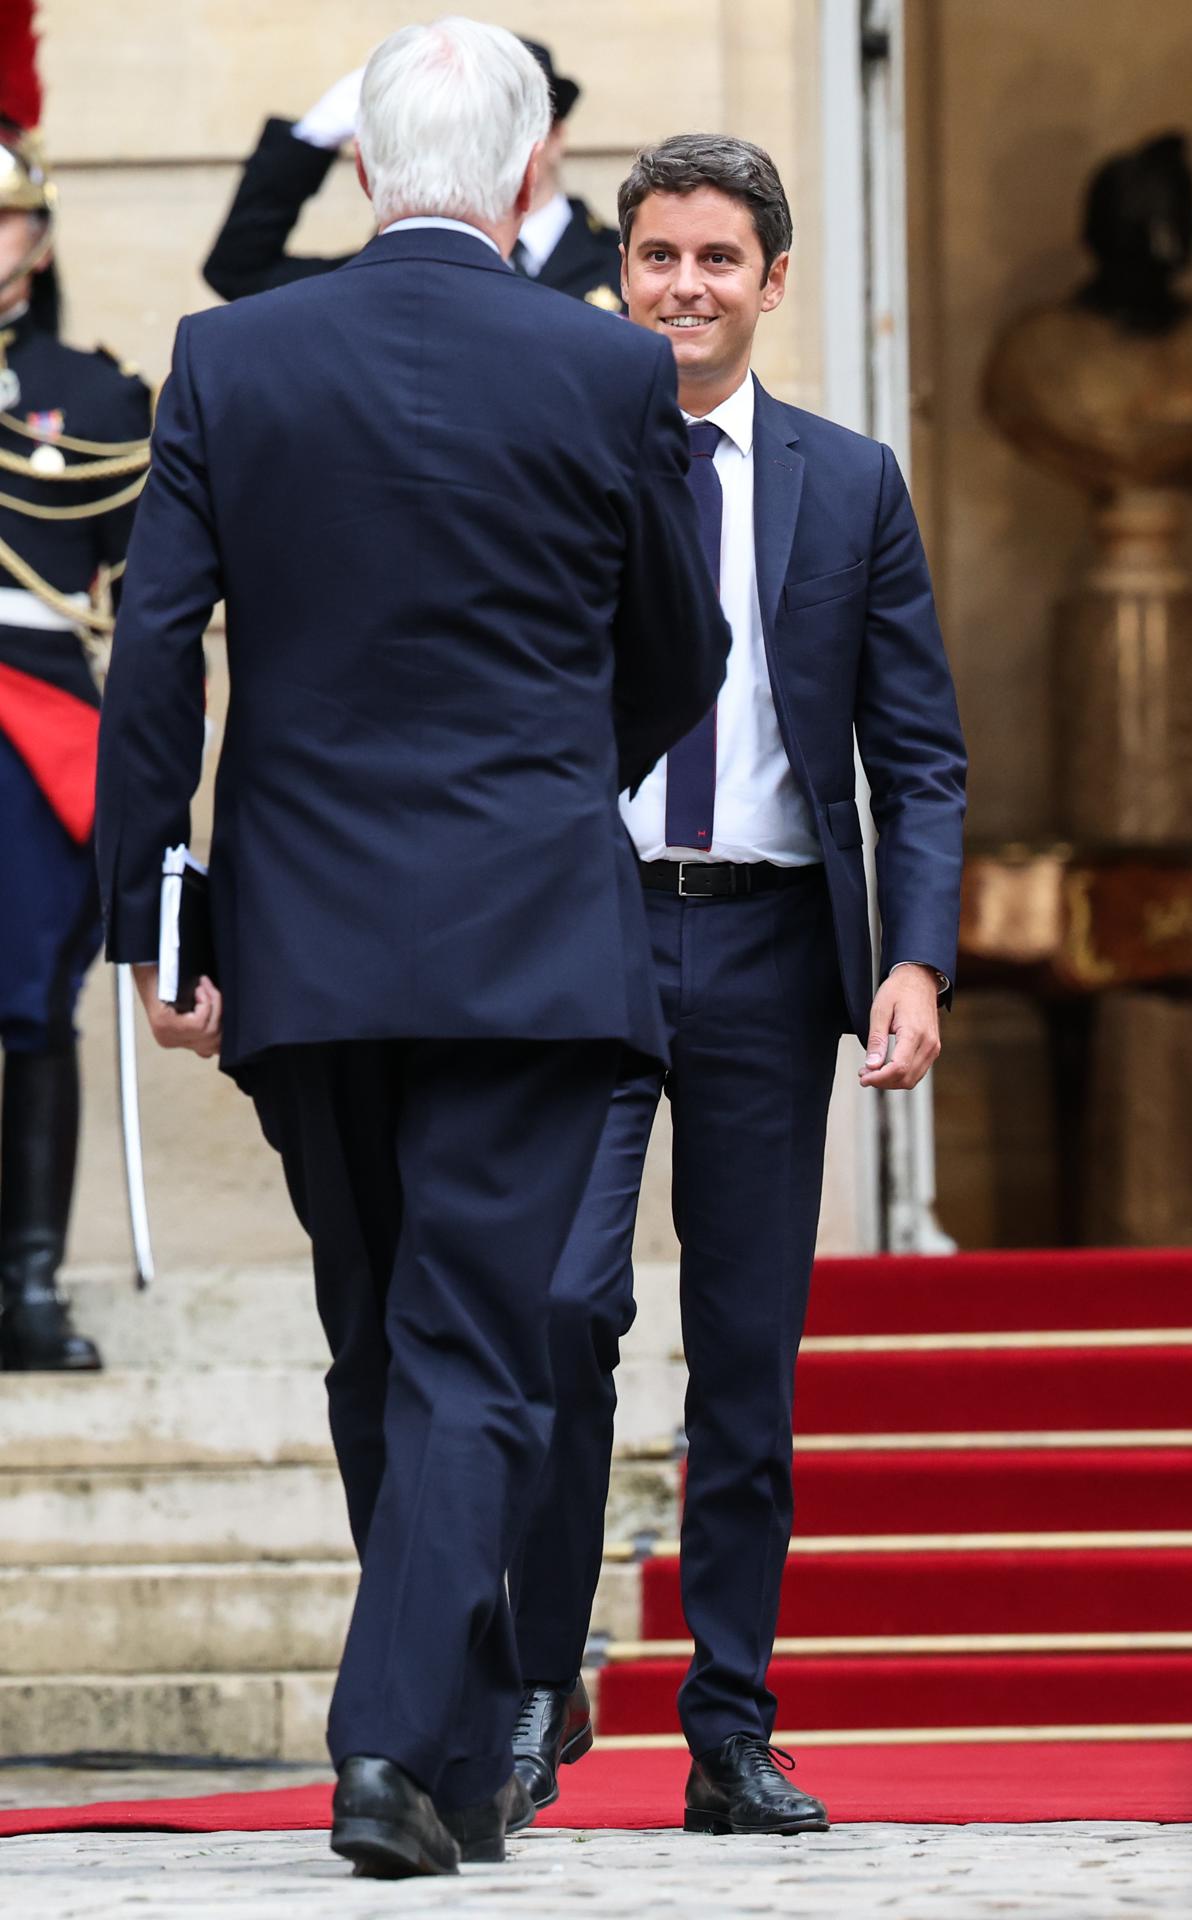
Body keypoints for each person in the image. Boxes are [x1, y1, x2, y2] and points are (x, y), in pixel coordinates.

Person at [95, 22, 727, 1881]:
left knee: (382, 1335)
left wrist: (155, 907)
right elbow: (677, 651)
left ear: (367, 169)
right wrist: (554, 786)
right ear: (531, 176)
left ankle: (436, 1755)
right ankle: (399, 1743)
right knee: (463, 1347)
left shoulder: (234, 354)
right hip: (530, 935)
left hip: (304, 935)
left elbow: (153, 650)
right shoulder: (610, 367)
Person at [508, 134, 967, 1835]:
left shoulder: (849, 484)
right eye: (656, 256)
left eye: (717, 258)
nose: (683, 287)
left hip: (777, 953)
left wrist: (913, 956)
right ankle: (528, 1693)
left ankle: (729, 1728)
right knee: (556, 1318)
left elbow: (917, 754)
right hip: (588, 937)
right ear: (616, 272)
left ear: (776, 281)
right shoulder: (556, 457)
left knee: (749, 1360)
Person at [0, 120, 150, 1371]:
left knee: (35, 1001)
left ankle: (29, 1283)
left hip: (35, 722)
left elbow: (149, 603)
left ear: (37, 236)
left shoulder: (95, 395)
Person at [203, 39, 623, 310]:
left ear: (555, 135)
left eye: (507, 121)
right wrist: (314, 136)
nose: (485, 142)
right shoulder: (392, 264)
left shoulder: (626, 265)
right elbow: (239, 271)